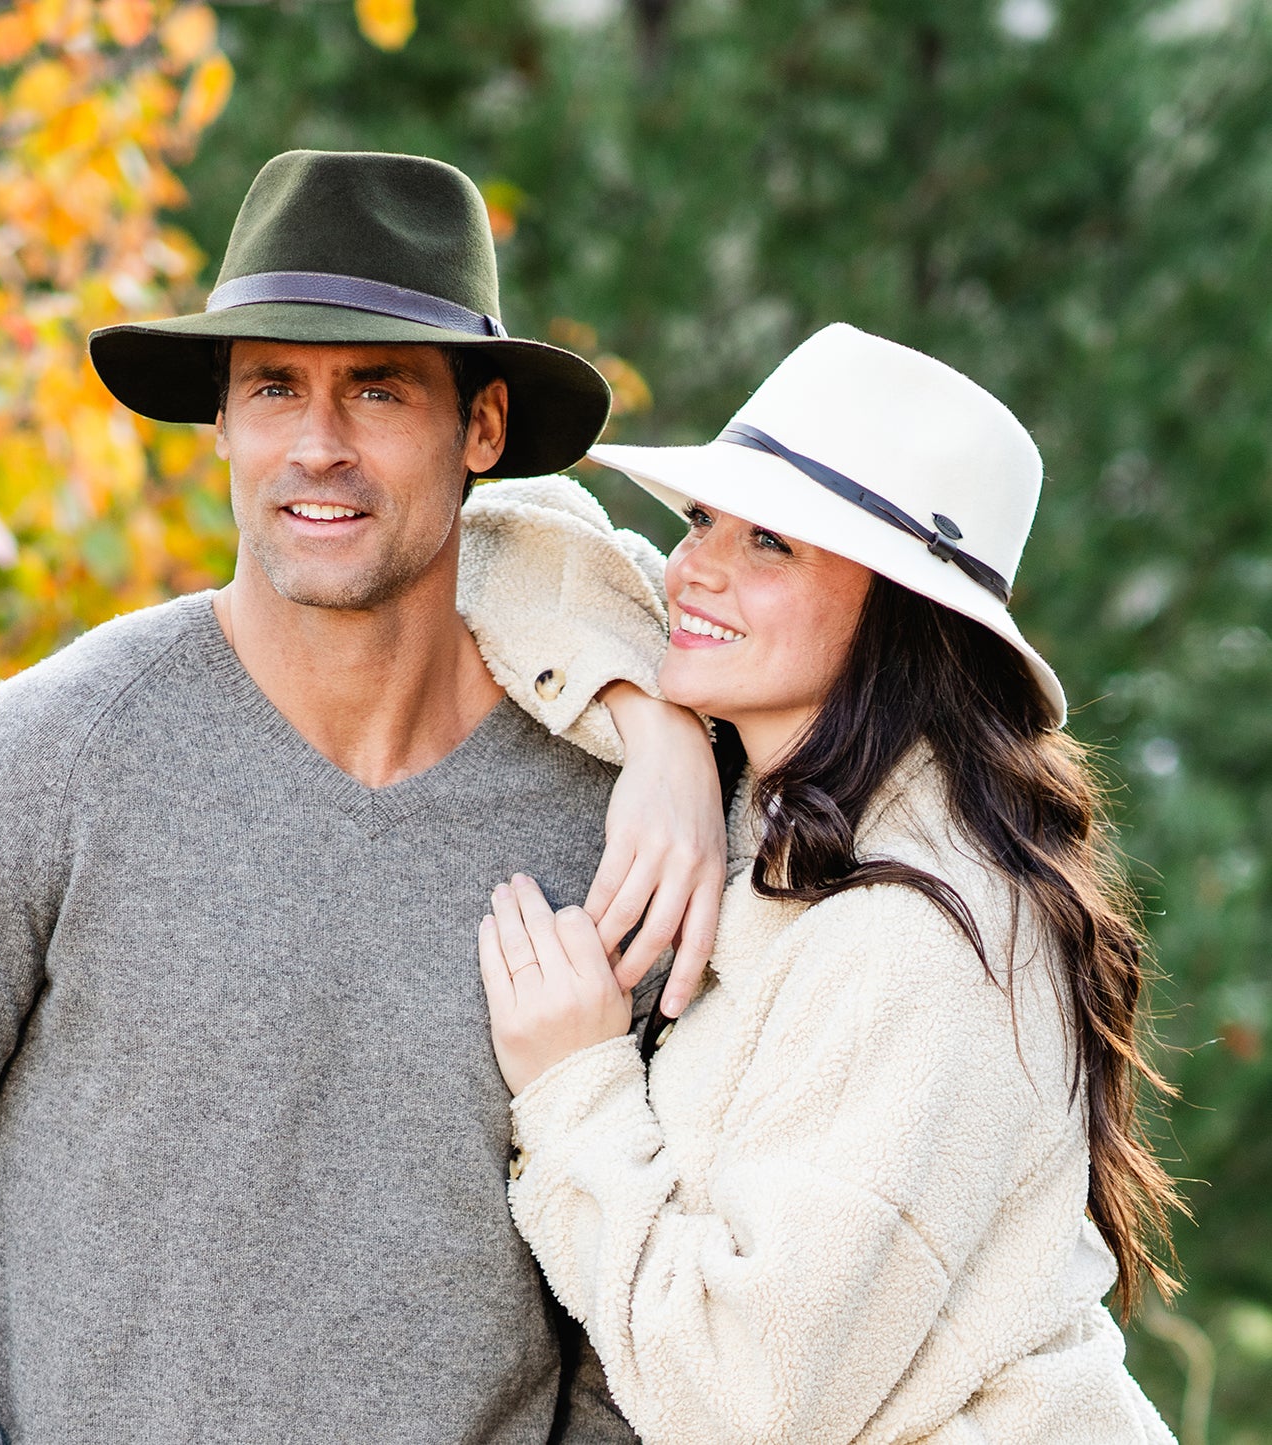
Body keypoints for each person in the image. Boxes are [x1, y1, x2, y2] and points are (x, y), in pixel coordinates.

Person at [0, 150, 726, 1443]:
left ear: (480, 428)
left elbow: (645, 1246)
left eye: (377, 390)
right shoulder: (53, 753)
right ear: (223, 423)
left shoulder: (616, 820)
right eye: (272, 388)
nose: (317, 444)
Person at [479, 323, 1183, 1443]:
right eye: (705, 519)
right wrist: (651, 729)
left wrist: (572, 1087)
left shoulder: (917, 933)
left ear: (904, 615)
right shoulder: (782, 798)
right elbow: (491, 529)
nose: (697, 564)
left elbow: (743, 1404)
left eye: (773, 544)